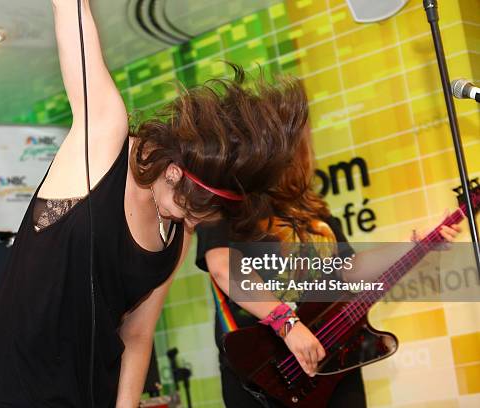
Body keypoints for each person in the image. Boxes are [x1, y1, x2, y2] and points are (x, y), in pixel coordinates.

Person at [0, 0, 306, 407]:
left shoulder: (176, 236)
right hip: (15, 386)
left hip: (92, 391)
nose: (188, 222)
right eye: (187, 210)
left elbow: (137, 334)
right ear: (174, 172)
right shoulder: (104, 143)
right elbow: (73, 18)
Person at [195, 103, 462, 406]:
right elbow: (223, 267)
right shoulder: (229, 202)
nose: (308, 146)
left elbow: (349, 268)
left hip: (332, 361)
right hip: (266, 377)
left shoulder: (311, 208)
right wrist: (289, 326)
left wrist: (414, 244)